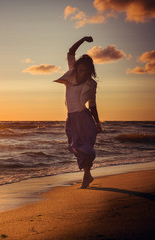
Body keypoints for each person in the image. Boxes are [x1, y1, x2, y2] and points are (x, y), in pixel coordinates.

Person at [54, 36, 102, 189]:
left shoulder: (91, 84)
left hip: (84, 119)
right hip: (71, 119)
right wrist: (83, 39)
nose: (82, 73)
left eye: (86, 71)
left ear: (90, 72)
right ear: (76, 69)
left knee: (85, 148)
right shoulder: (71, 75)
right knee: (77, 148)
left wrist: (97, 122)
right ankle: (88, 174)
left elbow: (92, 105)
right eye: (80, 70)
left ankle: (86, 176)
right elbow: (71, 52)